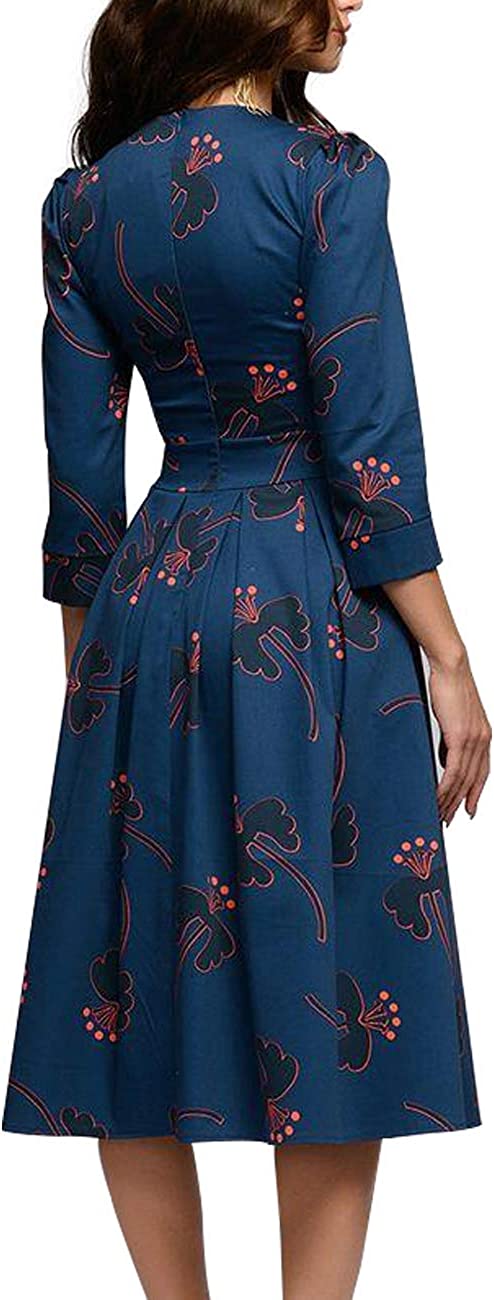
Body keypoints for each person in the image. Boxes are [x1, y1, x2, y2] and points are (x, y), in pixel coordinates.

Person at [3, 2, 490, 1297]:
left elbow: (80, 479)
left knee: (125, 979)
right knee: (328, 970)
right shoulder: (329, 175)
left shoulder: (84, 201)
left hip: (148, 603)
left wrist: (86, 671)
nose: (354, 1)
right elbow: (368, 443)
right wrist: (447, 657)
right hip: (308, 595)